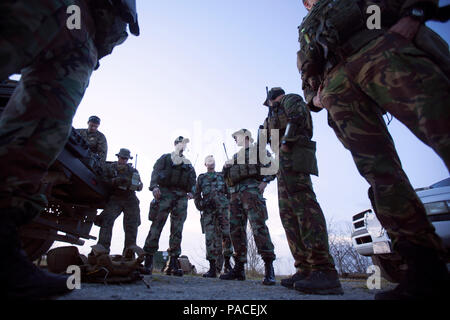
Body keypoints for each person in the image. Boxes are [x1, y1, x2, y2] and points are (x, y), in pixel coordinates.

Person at [298, 0, 449, 299]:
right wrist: (316, 97)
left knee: (442, 125)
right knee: (379, 173)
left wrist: (414, 14)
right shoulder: (306, 27)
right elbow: (306, 69)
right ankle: (425, 268)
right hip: (337, 83)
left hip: (380, 49)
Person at [0, 0, 139, 299]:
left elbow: (100, 158)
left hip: (93, 18)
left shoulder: (103, 143)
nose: (124, 160)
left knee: (47, 113)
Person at [262, 87, 343, 294]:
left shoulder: (291, 99)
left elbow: (297, 117)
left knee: (305, 209)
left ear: (272, 98)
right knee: (288, 215)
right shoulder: (271, 114)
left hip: (295, 154)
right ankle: (305, 268)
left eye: (269, 104)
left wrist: (287, 142)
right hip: (281, 163)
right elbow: (263, 142)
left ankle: (324, 269)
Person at [219, 129, 277, 286]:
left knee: (258, 227)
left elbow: (273, 167)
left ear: (245, 137)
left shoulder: (258, 150)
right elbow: (227, 179)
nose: (234, 140)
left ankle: (268, 267)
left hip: (251, 191)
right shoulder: (235, 157)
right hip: (235, 194)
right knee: (235, 230)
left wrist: (265, 181)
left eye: (236, 137)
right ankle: (239, 268)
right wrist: (225, 168)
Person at [143, 136, 197, 276]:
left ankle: (172, 263)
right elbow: (155, 172)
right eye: (180, 143)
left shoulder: (188, 163)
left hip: (181, 197)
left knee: (177, 229)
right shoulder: (165, 158)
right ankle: (148, 260)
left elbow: (193, 180)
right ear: (175, 144)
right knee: (156, 226)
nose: (182, 146)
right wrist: (154, 187)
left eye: (184, 144)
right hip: (164, 193)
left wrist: (192, 192)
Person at [95, 148, 143, 253]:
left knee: (132, 224)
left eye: (126, 159)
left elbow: (140, 186)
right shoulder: (110, 168)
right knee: (107, 220)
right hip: (115, 198)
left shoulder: (133, 171)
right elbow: (102, 180)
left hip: (130, 198)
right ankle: (102, 247)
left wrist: (132, 184)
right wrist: (114, 181)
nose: (123, 160)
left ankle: (129, 251)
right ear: (118, 157)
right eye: (122, 158)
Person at [194, 155, 234, 278]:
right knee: (210, 238)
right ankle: (212, 268)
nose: (211, 161)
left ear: (215, 163)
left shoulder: (222, 176)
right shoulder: (201, 178)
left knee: (227, 235)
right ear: (205, 164)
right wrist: (201, 205)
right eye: (208, 160)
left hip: (223, 210)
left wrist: (227, 205)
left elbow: (229, 192)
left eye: (213, 160)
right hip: (208, 211)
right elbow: (196, 195)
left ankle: (227, 265)